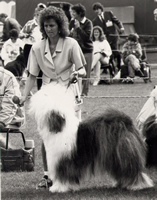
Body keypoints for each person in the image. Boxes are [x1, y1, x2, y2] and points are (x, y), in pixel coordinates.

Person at [20, 6, 86, 189]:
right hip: (48, 95)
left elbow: (82, 68)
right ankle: (48, 175)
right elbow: (32, 75)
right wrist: (23, 96)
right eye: (46, 26)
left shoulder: (71, 43)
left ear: (60, 25)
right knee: (48, 136)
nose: (49, 29)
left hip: (69, 92)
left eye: (52, 25)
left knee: (71, 136)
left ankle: (71, 174)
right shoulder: (37, 47)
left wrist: (77, 74)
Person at [20, 3, 46, 90]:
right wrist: (25, 35)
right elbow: (21, 34)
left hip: (41, 47)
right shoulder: (30, 23)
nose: (40, 14)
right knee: (30, 70)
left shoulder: (46, 24)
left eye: (42, 12)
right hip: (29, 47)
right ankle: (27, 91)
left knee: (41, 70)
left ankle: (40, 90)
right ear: (36, 13)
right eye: (39, 12)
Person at [92, 2, 124, 71]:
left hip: (114, 36)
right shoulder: (95, 21)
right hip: (105, 39)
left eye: (97, 9)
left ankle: (119, 64)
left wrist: (121, 27)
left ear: (101, 9)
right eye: (95, 10)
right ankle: (110, 67)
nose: (96, 11)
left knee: (115, 51)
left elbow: (117, 21)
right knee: (108, 53)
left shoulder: (108, 13)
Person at [69, 3, 93, 96]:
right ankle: (76, 91)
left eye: (74, 12)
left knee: (86, 72)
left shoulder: (88, 23)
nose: (72, 14)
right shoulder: (72, 22)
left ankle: (84, 92)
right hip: (75, 51)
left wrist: (78, 28)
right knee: (75, 71)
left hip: (86, 50)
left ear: (79, 13)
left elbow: (87, 37)